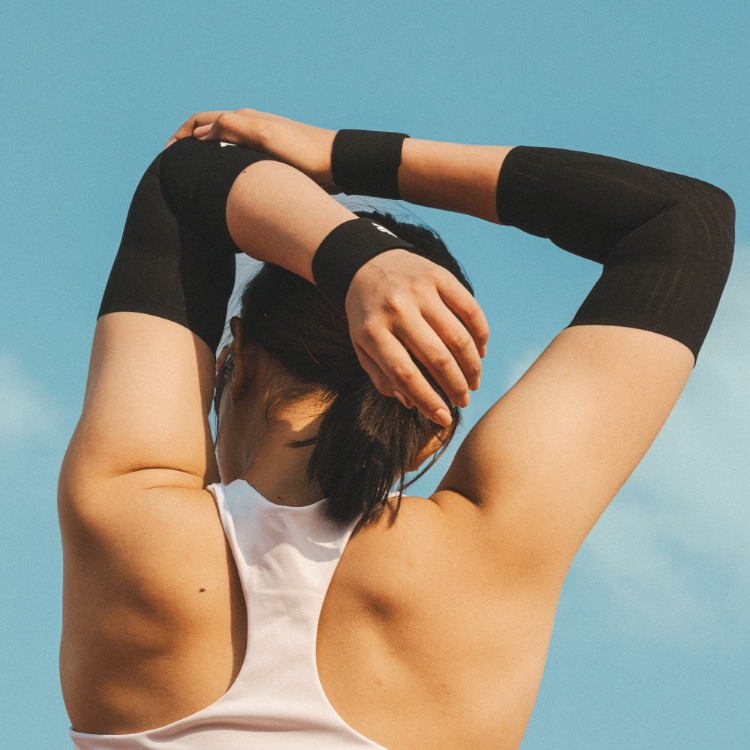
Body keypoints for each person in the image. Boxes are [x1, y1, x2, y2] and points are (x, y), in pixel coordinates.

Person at [59, 110, 735, 750]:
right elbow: (683, 223)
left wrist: (357, 263)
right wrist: (341, 156)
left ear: (236, 363)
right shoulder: (487, 554)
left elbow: (185, 179)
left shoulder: (126, 517)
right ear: (431, 431)